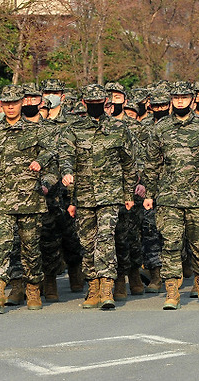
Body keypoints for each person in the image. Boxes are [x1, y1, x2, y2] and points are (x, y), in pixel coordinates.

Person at [142, 81, 199, 310]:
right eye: (176, 97)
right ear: (171, 99)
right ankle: (172, 290)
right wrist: (149, 193)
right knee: (170, 243)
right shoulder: (161, 128)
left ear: (192, 99)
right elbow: (152, 163)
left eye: (184, 97)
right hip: (169, 197)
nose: (180, 101)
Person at [59, 84, 139, 310]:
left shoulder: (119, 128)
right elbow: (66, 156)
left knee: (105, 239)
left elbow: (128, 163)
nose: (95, 108)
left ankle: (107, 288)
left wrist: (128, 193)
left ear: (106, 103)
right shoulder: (73, 130)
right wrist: (67, 176)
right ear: (84, 104)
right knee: (86, 242)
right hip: (83, 195)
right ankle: (92, 286)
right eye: (90, 104)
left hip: (110, 195)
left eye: (99, 104)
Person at [0, 85, 54, 313]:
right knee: (1, 244)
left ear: (22, 103)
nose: (10, 106)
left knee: (30, 249)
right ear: (0, 105)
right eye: (6, 102)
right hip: (2, 199)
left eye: (15, 102)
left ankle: (33, 287)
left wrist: (42, 174)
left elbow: (53, 158)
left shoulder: (36, 131)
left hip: (29, 199)